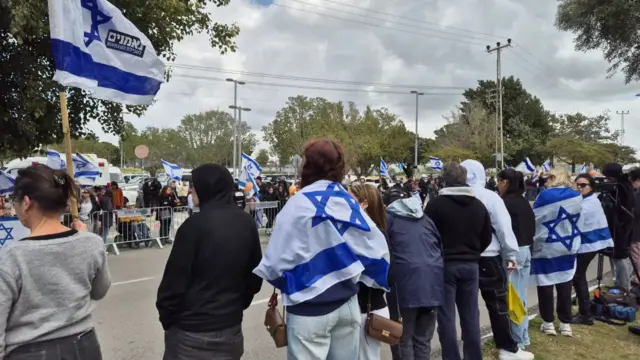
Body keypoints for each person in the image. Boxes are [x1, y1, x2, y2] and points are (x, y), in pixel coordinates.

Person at [253, 139, 390, 360]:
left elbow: (275, 265)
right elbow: (377, 251)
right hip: (348, 305)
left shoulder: (296, 205)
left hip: (308, 310)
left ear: (306, 166)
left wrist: (296, 281)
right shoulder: (348, 202)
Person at [0, 164, 111, 359]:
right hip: (84, 346)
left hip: (29, 351)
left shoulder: (11, 255)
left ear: (26, 203)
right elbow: (100, 290)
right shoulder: (91, 242)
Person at [157, 164, 263, 360]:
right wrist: (236, 306)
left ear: (207, 188)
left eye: (194, 186)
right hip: (230, 329)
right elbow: (255, 275)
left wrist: (169, 320)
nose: (190, 190)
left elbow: (173, 284)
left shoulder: (193, 227)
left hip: (191, 334)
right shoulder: (246, 222)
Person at [460, 160, 530, 360]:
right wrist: (510, 254)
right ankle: (507, 348)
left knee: (467, 307)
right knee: (498, 305)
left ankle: (470, 350)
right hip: (489, 258)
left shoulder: (447, 195)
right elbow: (503, 228)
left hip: (460, 258)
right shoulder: (490, 197)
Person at [425, 162, 492, 360]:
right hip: (471, 264)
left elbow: (427, 236)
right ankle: (473, 356)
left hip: (444, 265)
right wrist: (474, 251)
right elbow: (486, 236)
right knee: (470, 315)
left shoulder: (436, 205)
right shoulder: (479, 206)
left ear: (444, 180)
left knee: (446, 317)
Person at [384, 186, 444, 360]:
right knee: (423, 340)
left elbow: (383, 254)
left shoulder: (389, 220)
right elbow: (439, 248)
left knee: (402, 338)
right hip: (432, 285)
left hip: (405, 287)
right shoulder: (425, 219)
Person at [532, 168, 582, 337]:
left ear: (554, 178)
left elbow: (535, 218)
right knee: (565, 283)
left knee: (545, 285)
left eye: (547, 178)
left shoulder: (545, 195)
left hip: (546, 245)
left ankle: (548, 323)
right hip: (568, 244)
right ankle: (565, 323)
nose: (545, 181)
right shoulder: (576, 196)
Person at [349, 183, 392, 360]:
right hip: (361, 308)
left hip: (368, 308)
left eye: (350, 199)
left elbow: (391, 275)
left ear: (364, 204)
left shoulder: (374, 236)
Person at [497, 169, 536, 349]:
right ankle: (522, 336)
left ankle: (519, 339)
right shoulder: (523, 202)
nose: (497, 184)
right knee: (520, 295)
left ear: (505, 182)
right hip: (526, 249)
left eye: (499, 181)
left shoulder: (504, 203)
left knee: (514, 297)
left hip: (514, 252)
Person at [572, 173, 614, 326]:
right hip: (591, 241)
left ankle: (585, 315)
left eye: (583, 185)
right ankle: (584, 311)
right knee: (578, 276)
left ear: (591, 187)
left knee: (578, 276)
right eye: (577, 184)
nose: (579, 187)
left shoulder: (589, 203)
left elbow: (576, 220)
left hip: (590, 243)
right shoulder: (587, 199)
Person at [601, 163, 636, 290]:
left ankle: (624, 286)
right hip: (617, 225)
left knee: (620, 257)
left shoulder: (621, 187)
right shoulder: (623, 184)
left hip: (620, 227)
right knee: (615, 255)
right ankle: (618, 282)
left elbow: (623, 207)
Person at [627, 168, 640, 285]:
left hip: (636, 234)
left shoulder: (636, 195)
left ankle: (637, 283)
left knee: (637, 260)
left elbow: (634, 213)